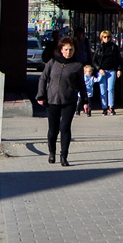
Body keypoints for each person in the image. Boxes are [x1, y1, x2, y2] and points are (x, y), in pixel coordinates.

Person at [37, 37, 89, 166]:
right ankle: (52, 152)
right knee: (53, 129)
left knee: (65, 128)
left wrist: (85, 101)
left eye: (71, 49)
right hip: (52, 100)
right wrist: (41, 96)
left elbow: (82, 85)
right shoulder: (52, 63)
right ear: (61, 50)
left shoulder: (77, 66)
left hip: (69, 101)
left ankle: (64, 156)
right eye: (66, 49)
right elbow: (43, 79)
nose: (68, 52)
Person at [92, 30, 121, 115]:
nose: (106, 39)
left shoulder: (114, 47)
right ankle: (104, 108)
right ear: (101, 38)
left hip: (111, 70)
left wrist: (119, 69)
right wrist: (99, 69)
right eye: (104, 37)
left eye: (108, 37)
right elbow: (94, 61)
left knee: (110, 89)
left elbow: (119, 59)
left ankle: (111, 107)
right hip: (102, 71)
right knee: (103, 91)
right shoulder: (99, 48)